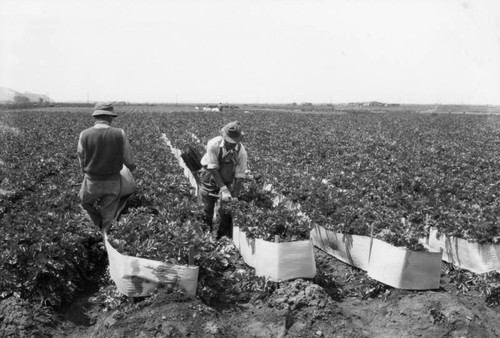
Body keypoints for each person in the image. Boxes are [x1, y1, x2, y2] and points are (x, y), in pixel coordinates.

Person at [77, 102, 136, 232]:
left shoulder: (84, 134)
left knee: (85, 203)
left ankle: (95, 226)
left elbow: (81, 157)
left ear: (96, 117)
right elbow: (129, 159)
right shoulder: (119, 133)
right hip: (113, 181)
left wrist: (85, 171)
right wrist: (132, 170)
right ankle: (105, 236)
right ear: (110, 117)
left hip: (92, 181)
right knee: (109, 216)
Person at [199, 121, 247, 239]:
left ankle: (223, 237)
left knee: (226, 210)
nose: (230, 144)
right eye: (228, 141)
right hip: (209, 176)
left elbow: (239, 177)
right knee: (206, 209)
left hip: (227, 179)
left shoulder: (242, 152)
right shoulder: (213, 144)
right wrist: (224, 189)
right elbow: (213, 169)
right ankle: (205, 236)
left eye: (233, 142)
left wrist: (234, 197)